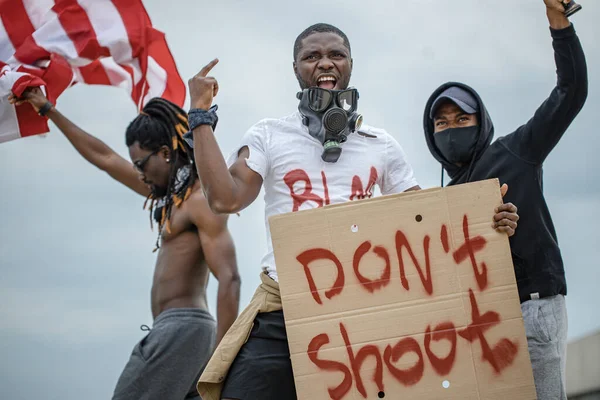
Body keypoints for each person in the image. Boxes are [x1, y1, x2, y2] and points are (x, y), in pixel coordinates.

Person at [186, 23, 519, 400]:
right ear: (296, 68)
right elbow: (224, 200)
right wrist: (200, 115)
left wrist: (487, 220)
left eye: (335, 55)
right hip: (284, 308)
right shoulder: (268, 135)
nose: (324, 63)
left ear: (350, 64)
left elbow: (427, 222)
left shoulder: (381, 145)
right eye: (311, 56)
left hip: (364, 312)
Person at [9, 89, 242, 400]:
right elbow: (104, 158)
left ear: (165, 153)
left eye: (141, 164)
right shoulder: (171, 196)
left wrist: (222, 359)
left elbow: (230, 277)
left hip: (182, 329)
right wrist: (48, 109)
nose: (138, 174)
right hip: (183, 333)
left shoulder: (198, 201)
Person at [422, 1, 587, 399]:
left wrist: (558, 22)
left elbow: (571, 93)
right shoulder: (442, 201)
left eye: (462, 119)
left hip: (533, 310)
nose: (451, 128)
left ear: (481, 122)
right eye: (441, 123)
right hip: (477, 322)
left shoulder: (517, 151)